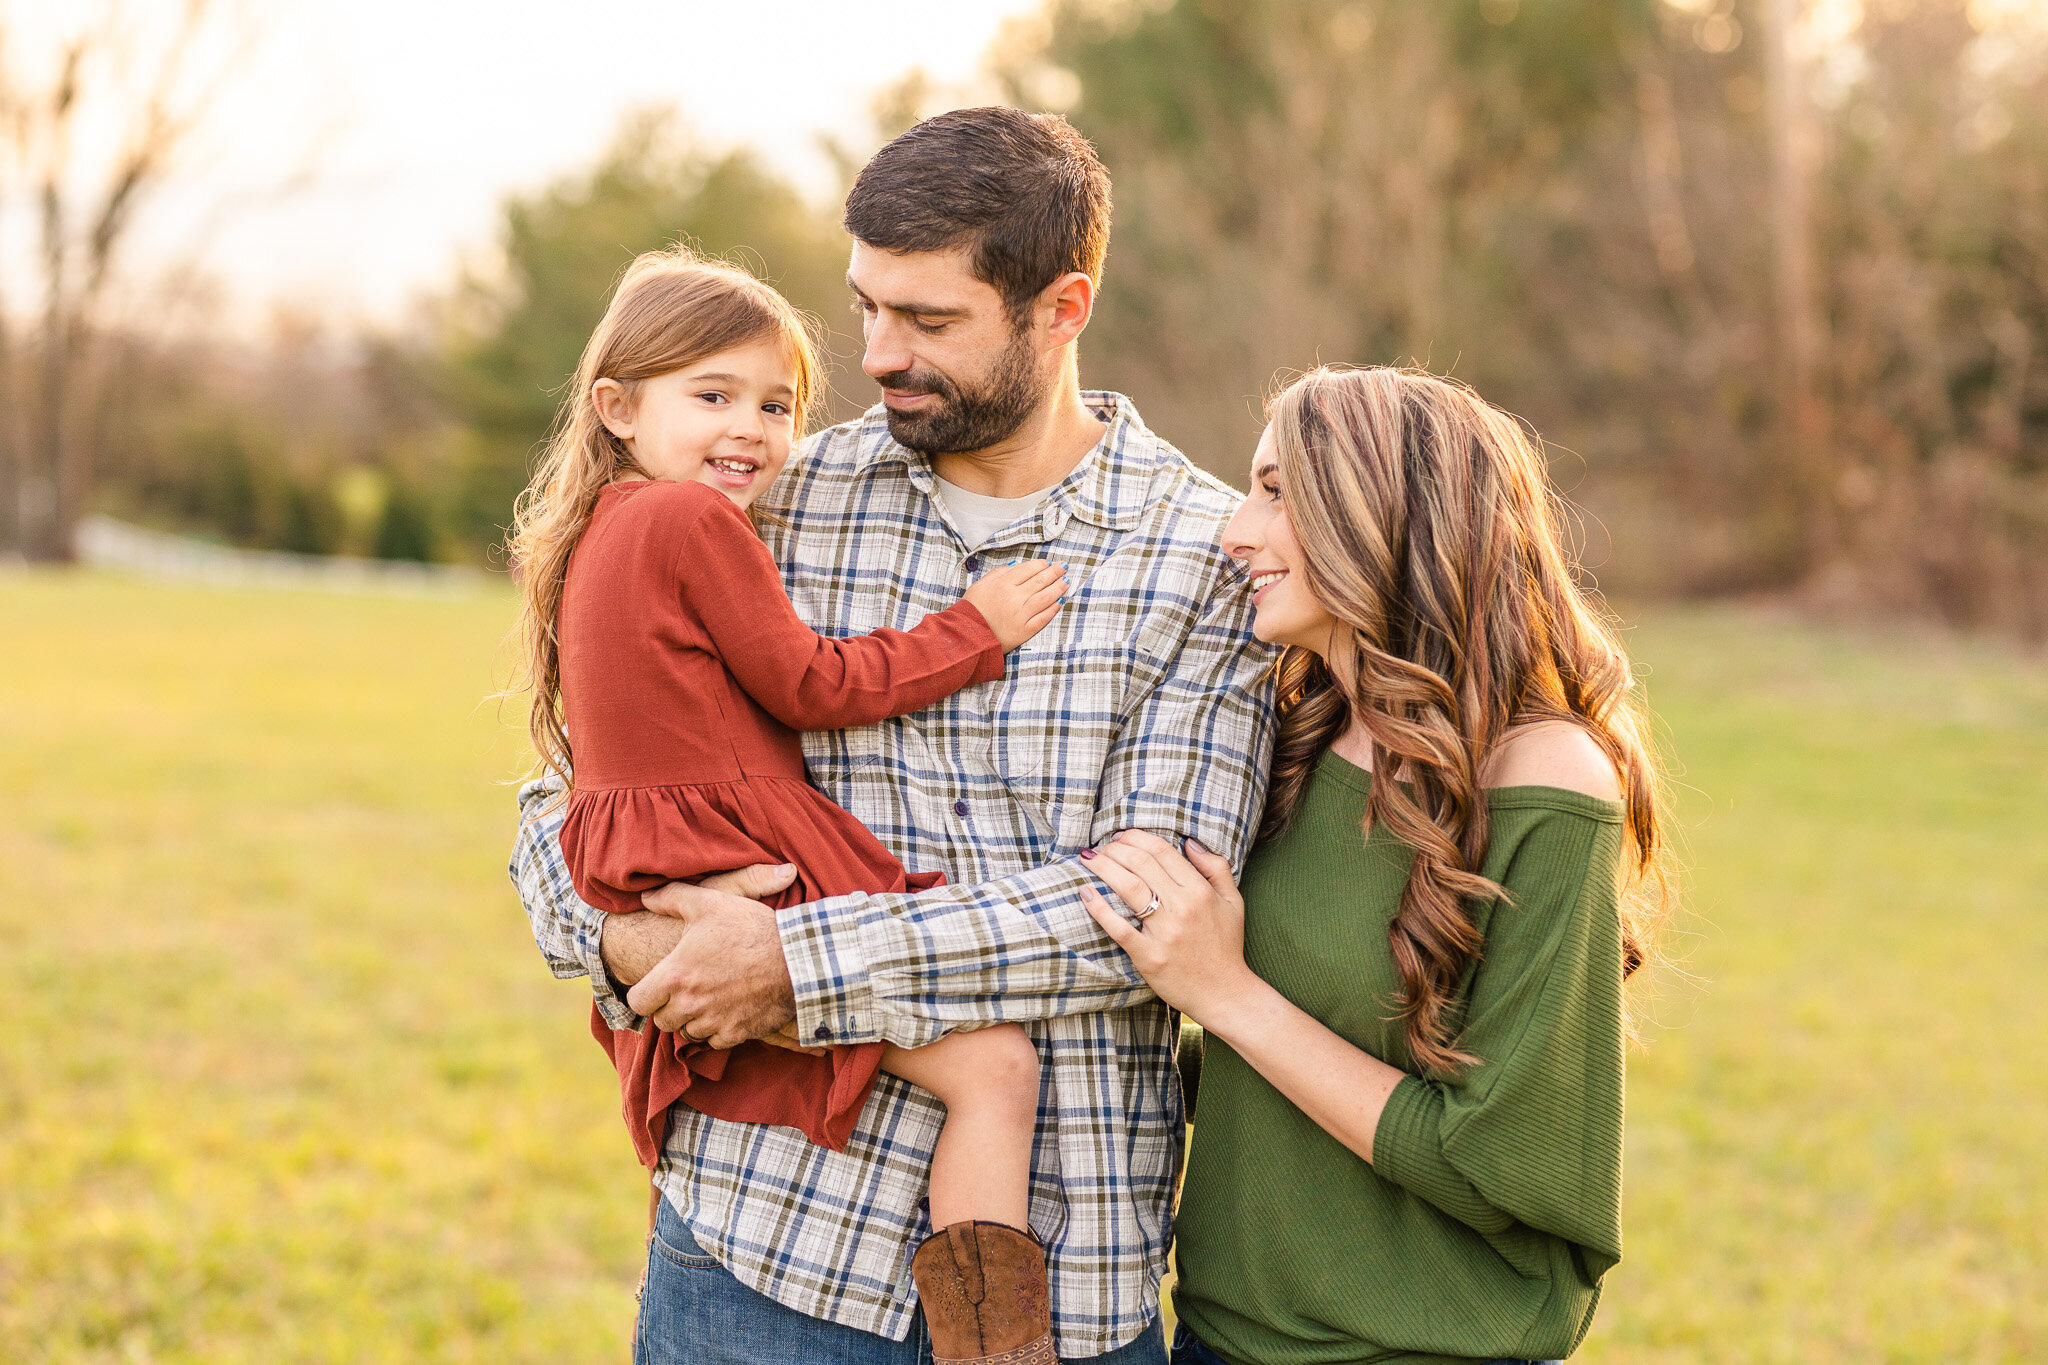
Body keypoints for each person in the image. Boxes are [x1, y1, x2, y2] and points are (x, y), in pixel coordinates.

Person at [510, 108, 1276, 1365]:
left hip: (1058, 1267)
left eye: (927, 323)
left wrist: (793, 962)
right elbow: (577, 792)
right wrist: (627, 933)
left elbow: (1148, 913)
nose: (875, 354)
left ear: (1060, 307)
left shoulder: (1200, 555)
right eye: (866, 308)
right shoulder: (775, 496)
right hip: (765, 1242)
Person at [507, 249, 1076, 1361]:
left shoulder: (601, 528)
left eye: (777, 405)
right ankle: (993, 1349)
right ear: (618, 407)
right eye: (711, 396)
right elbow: (813, 685)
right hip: (744, 841)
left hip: (655, 850)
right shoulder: (691, 522)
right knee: (997, 1070)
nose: (752, 430)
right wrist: (978, 627)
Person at [1078, 366, 1670, 1365]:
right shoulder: (1291, 738)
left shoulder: (1541, 780)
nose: (1234, 530)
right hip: (1219, 1337)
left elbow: (1502, 1167)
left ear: (1379, 515)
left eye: (1274, 492)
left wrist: (1224, 996)